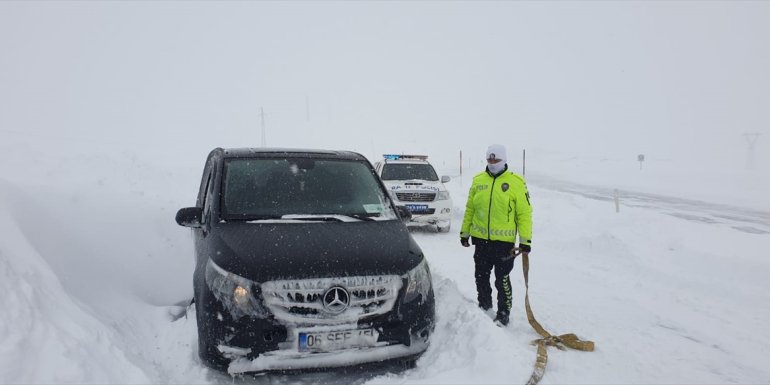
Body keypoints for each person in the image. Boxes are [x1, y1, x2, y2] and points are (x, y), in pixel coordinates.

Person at [460, 144, 532, 326]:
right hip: (481, 242)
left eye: (496, 160)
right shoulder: (478, 181)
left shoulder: (516, 182)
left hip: (504, 245)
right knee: (481, 277)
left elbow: (524, 214)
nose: (492, 163)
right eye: (489, 160)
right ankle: (484, 307)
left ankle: (503, 312)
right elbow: (470, 209)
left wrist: (525, 241)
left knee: (503, 280)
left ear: (504, 160)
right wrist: (465, 232)